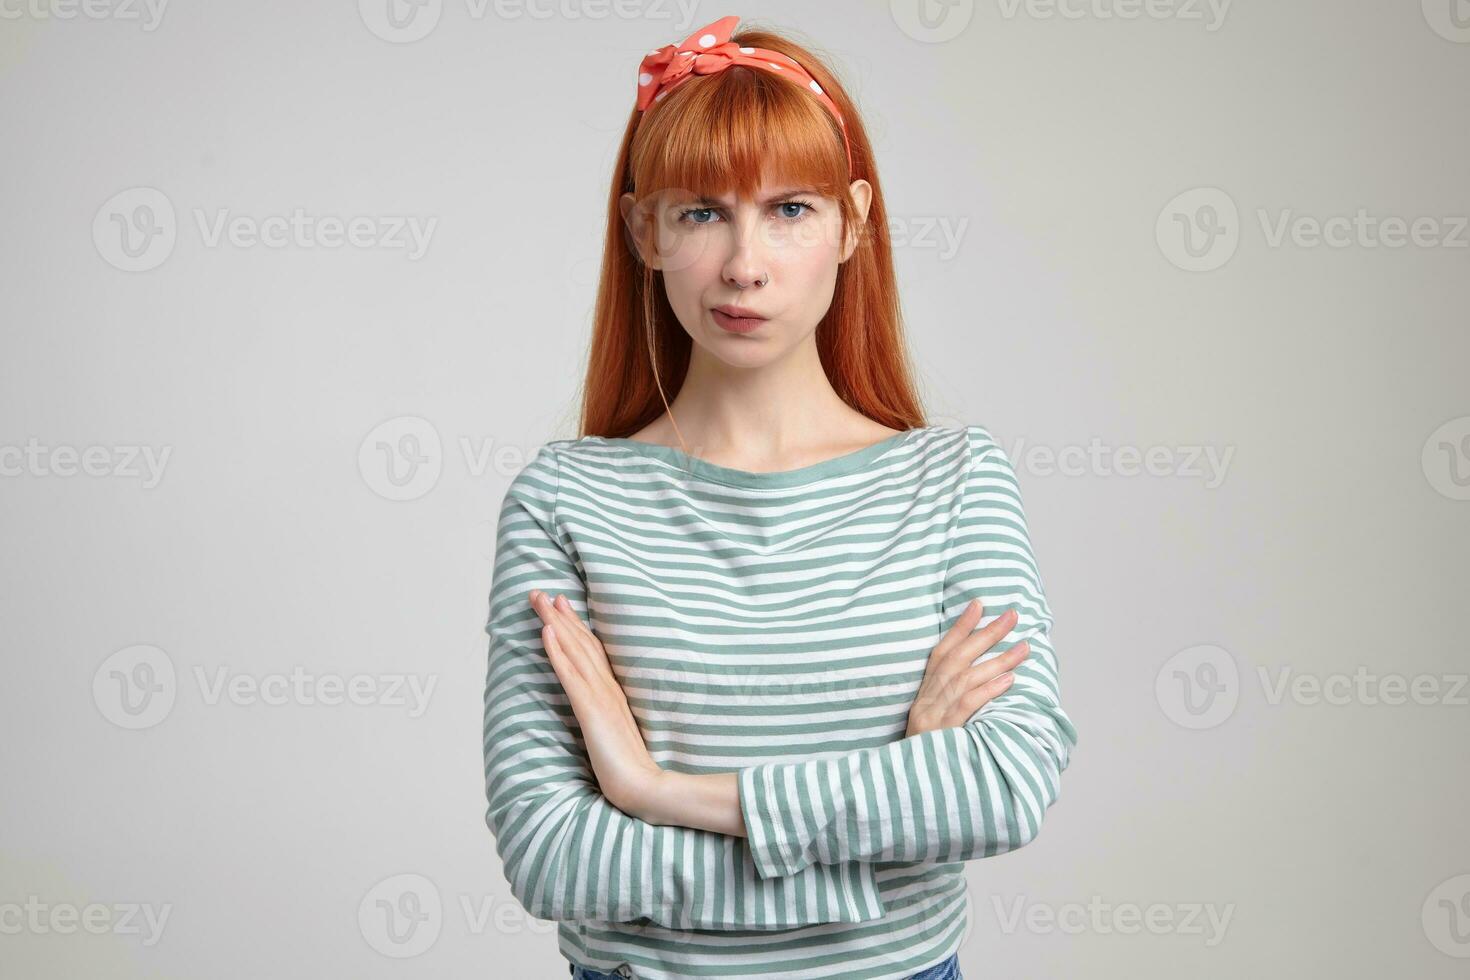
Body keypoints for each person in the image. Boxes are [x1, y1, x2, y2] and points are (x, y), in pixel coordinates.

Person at [481, 15, 1078, 980]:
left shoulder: (955, 479)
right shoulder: (566, 500)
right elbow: (553, 856)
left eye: (790, 209)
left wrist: (655, 788)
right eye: (702, 212)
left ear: (853, 222)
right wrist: (883, 828)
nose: (744, 265)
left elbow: (1006, 785)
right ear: (645, 230)